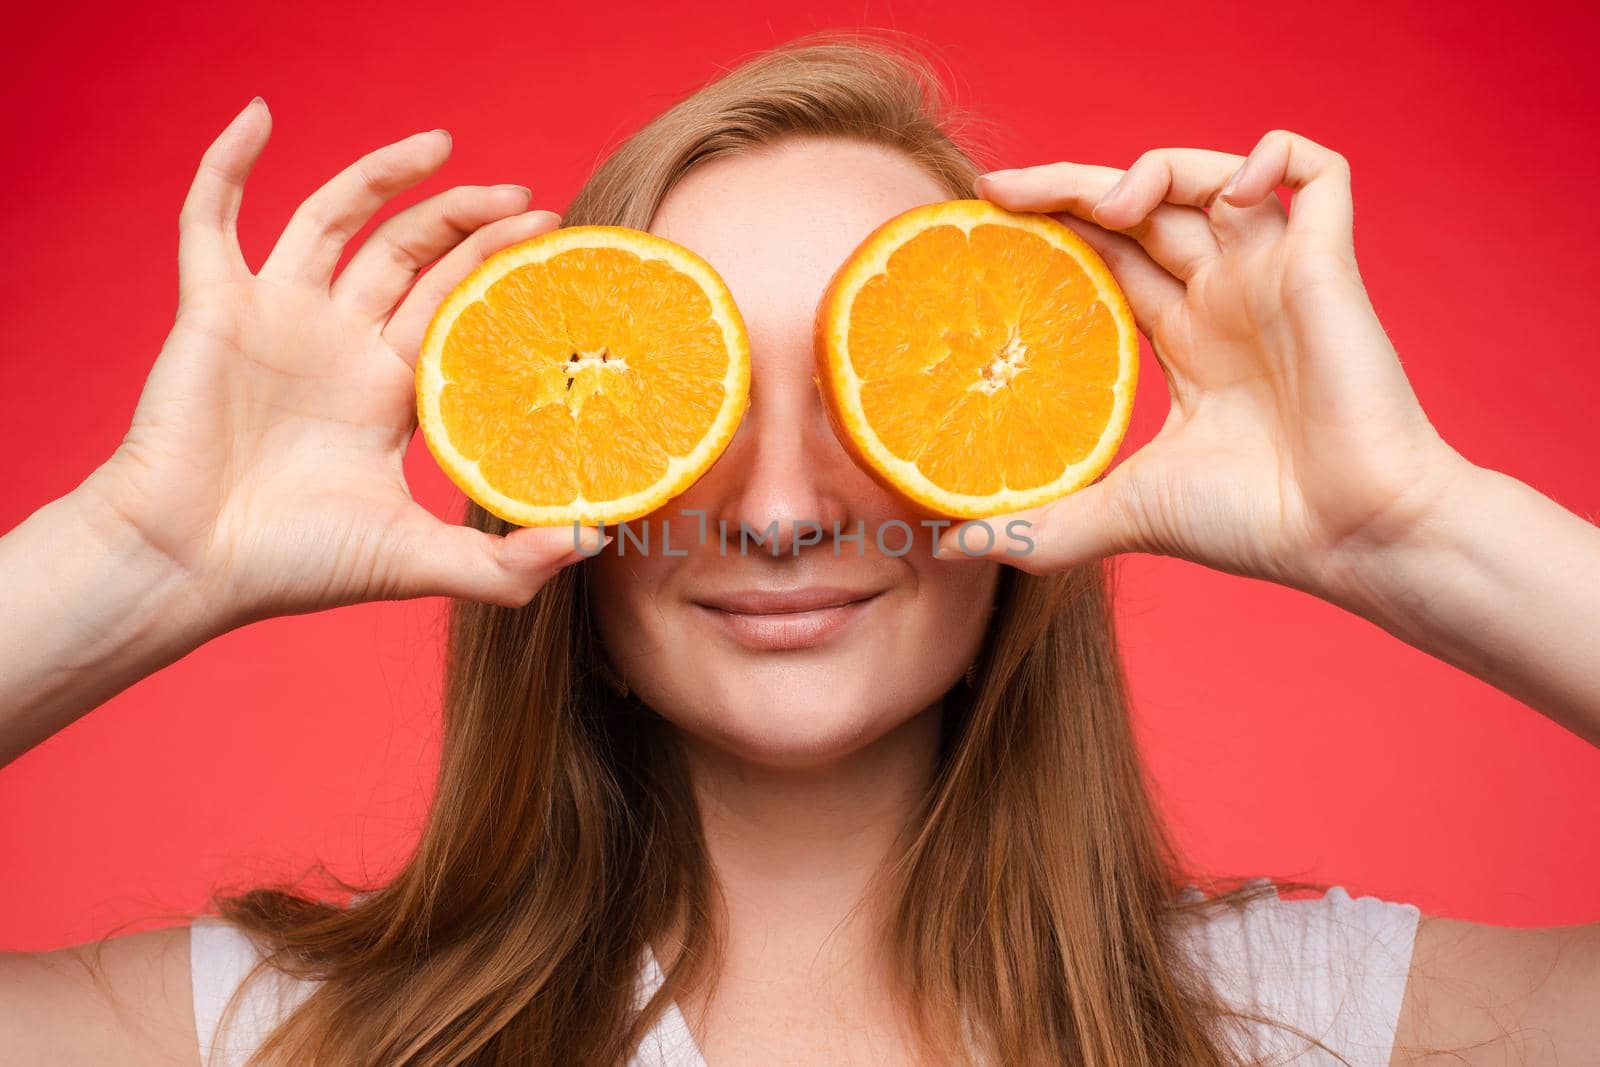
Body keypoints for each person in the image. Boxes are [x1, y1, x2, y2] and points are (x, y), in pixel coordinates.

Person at [0, 34, 1595, 1067]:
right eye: (688, 404)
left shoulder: (1305, 1028)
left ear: (1010, 456)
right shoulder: (283, 1042)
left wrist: (1409, 527)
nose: (775, 513)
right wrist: (146, 553)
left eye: (862, 391)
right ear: (558, 479)